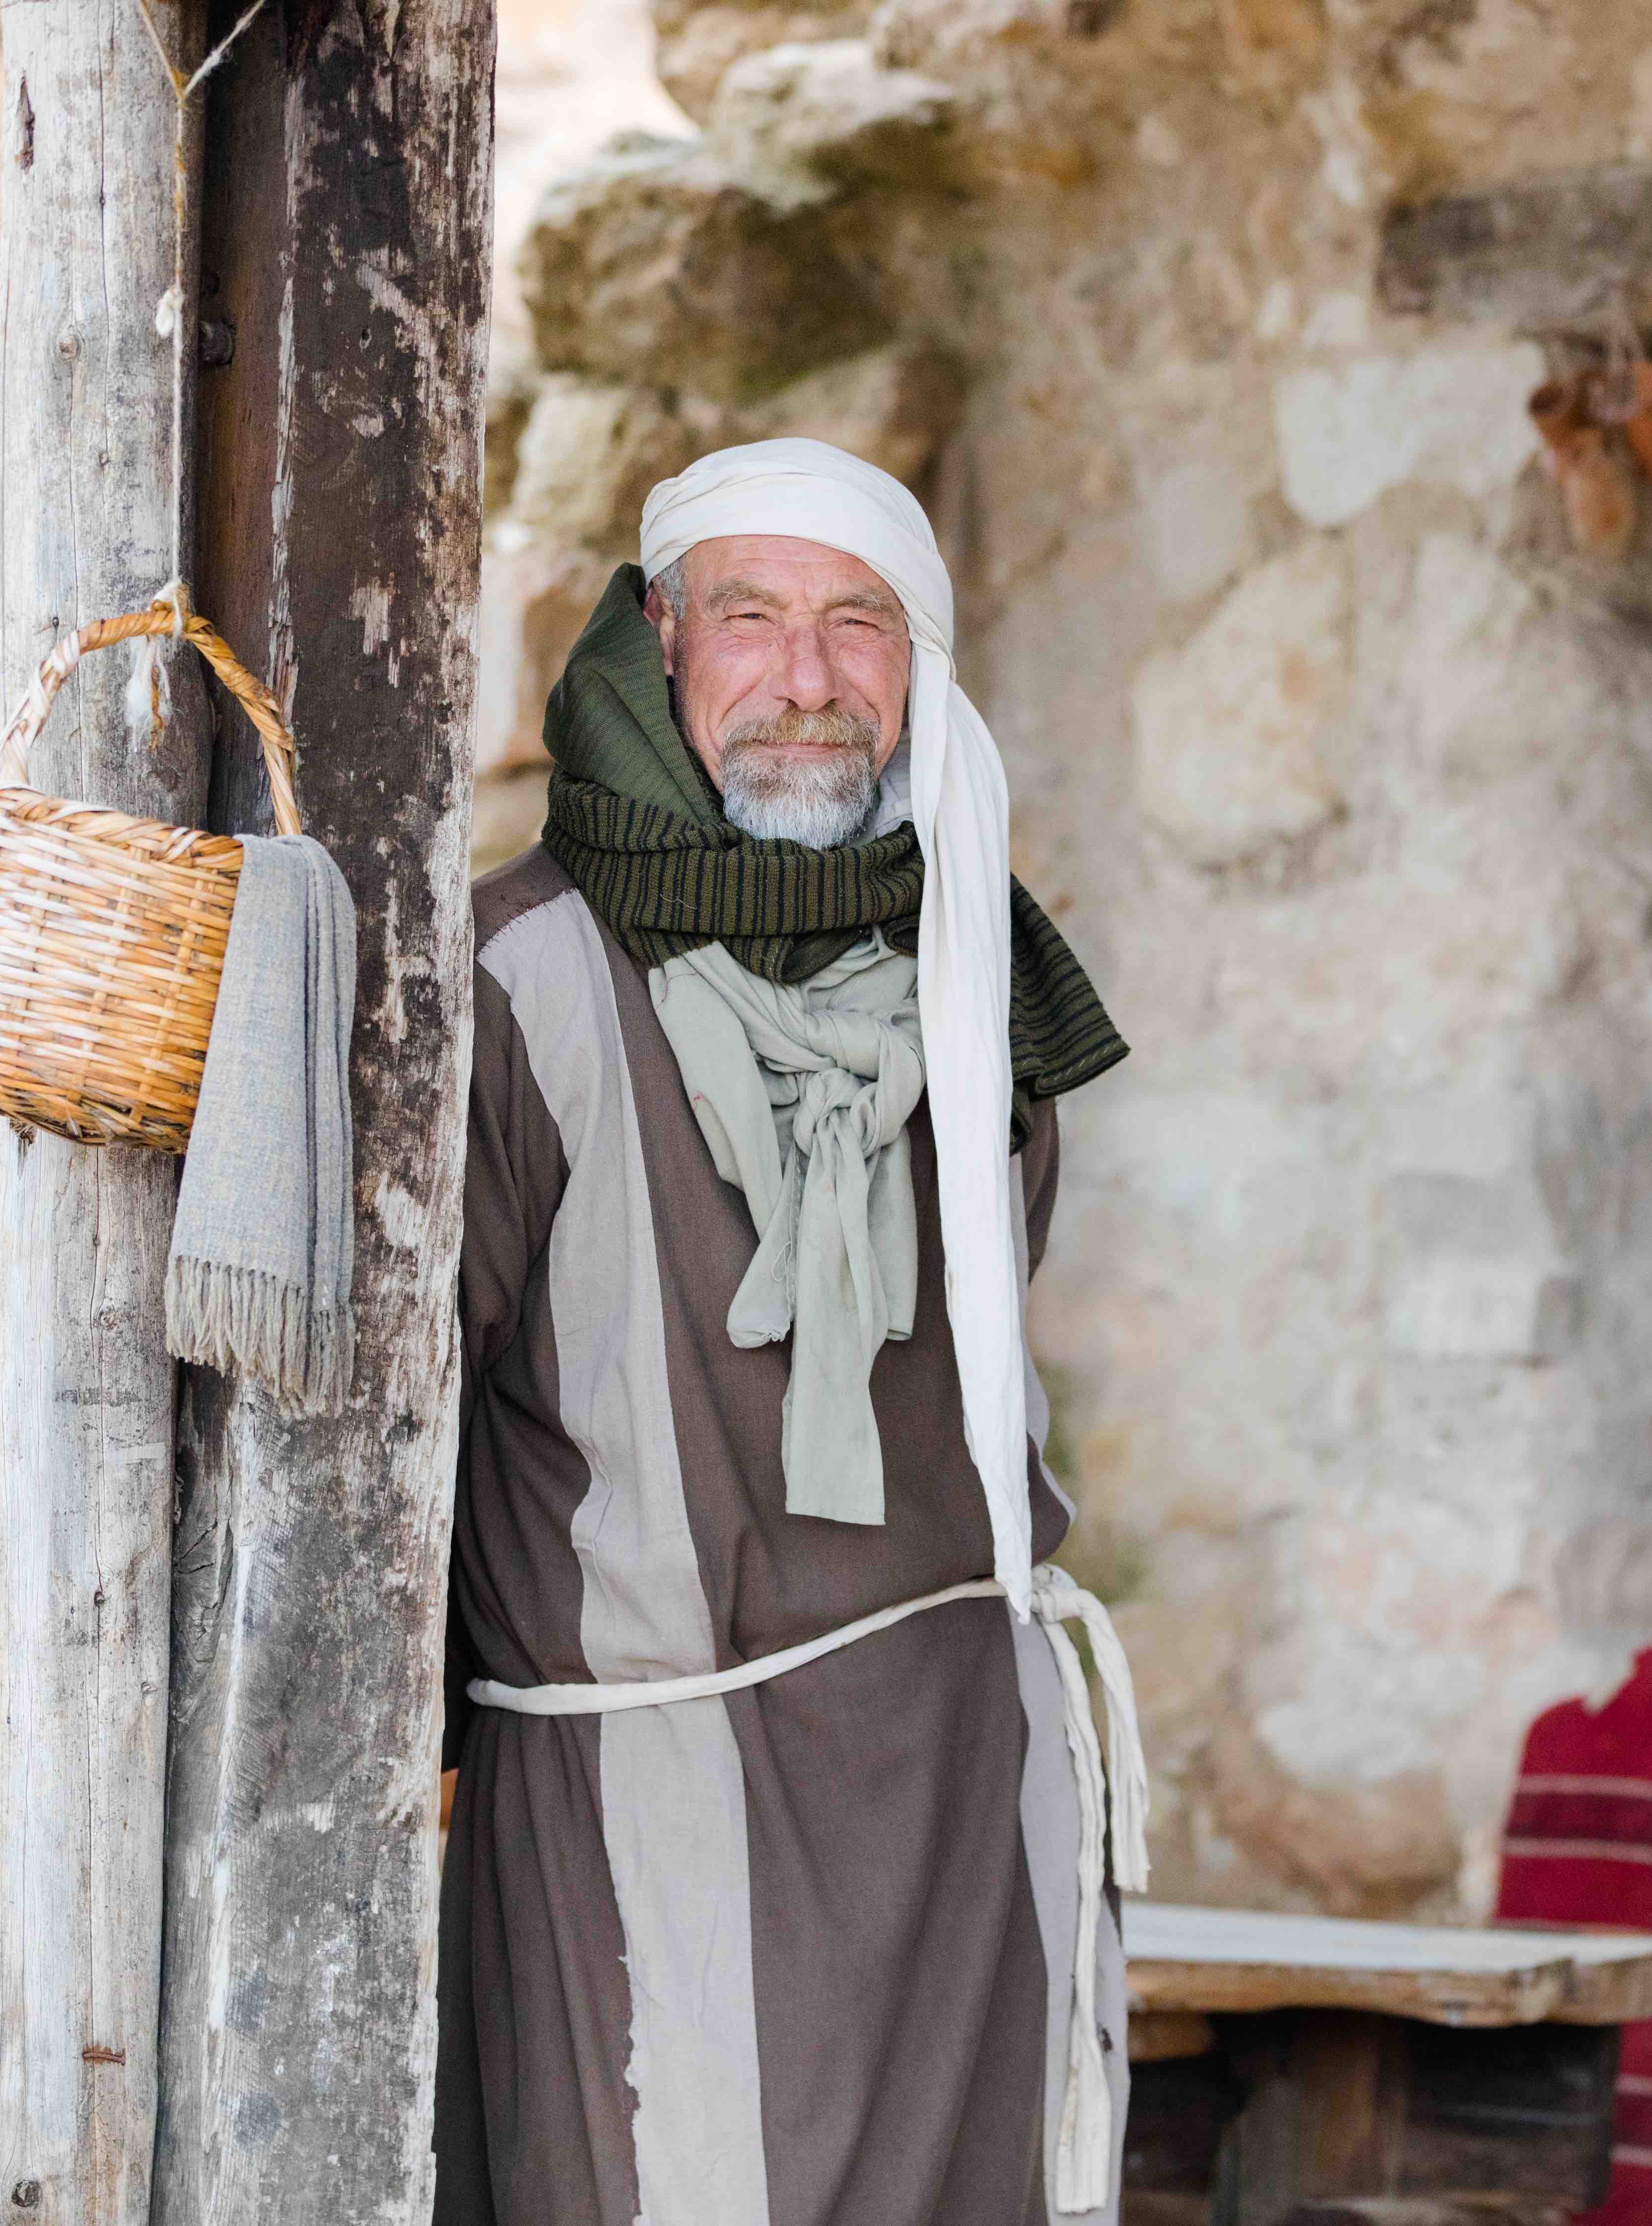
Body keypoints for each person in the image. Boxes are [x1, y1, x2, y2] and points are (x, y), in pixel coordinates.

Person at [438, 439, 1143, 2226]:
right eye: (752, 618)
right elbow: (395, 1447)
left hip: (963, 1809)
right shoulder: (515, 989)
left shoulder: (985, 991)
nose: (810, 681)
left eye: (863, 625)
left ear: (923, 670)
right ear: (660, 640)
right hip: (646, 1802)